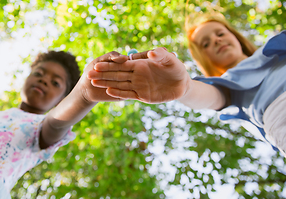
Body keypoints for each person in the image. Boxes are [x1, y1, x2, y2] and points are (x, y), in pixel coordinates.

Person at [0, 50, 128, 199]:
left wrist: (84, 95)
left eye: (55, 82)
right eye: (39, 74)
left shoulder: (40, 127)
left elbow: (56, 124)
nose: (44, 81)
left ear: (62, 100)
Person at [87, 12, 286, 157]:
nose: (216, 41)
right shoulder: (227, 86)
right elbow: (208, 95)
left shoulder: (277, 47)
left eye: (219, 33)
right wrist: (184, 88)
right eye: (206, 44)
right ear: (203, 58)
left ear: (235, 35)